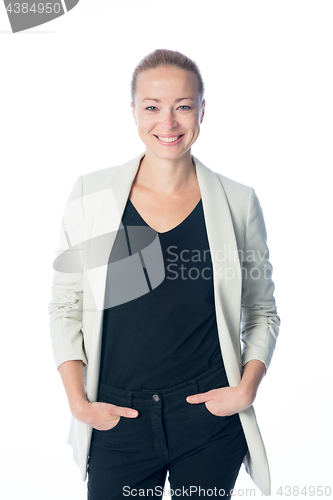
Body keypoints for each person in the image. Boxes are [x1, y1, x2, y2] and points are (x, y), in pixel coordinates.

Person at [48, 49, 280, 499]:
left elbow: (262, 310)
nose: (168, 123)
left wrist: (246, 389)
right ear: (133, 111)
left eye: (183, 106)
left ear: (202, 111)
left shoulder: (237, 201)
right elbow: (65, 306)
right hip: (117, 416)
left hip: (208, 419)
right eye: (152, 107)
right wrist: (79, 403)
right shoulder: (90, 194)